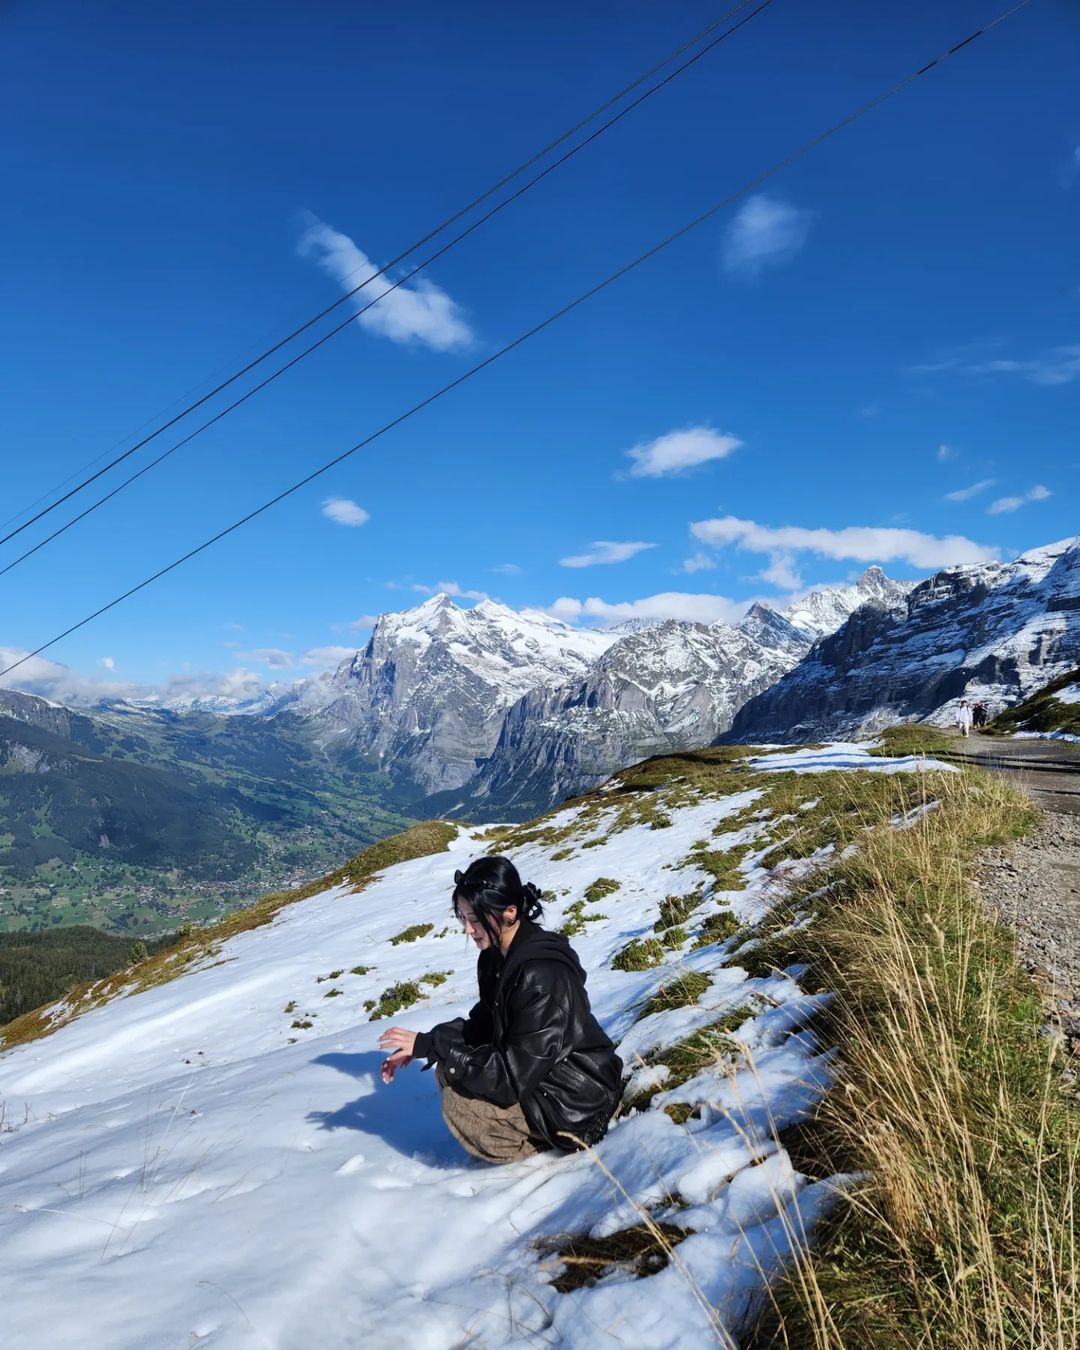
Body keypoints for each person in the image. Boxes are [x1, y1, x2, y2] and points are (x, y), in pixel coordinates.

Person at [377, 855, 623, 1163]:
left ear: (509, 912)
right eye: (464, 918)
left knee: (459, 1104)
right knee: (448, 1070)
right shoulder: (497, 958)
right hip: (542, 1078)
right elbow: (484, 1024)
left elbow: (510, 1076)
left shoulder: (540, 976)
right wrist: (425, 1044)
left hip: (578, 1101)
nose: (468, 929)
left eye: (476, 919)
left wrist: (440, 1049)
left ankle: (553, 1144)